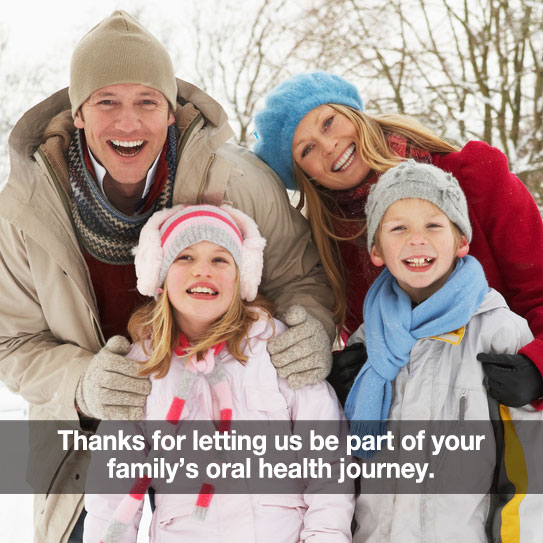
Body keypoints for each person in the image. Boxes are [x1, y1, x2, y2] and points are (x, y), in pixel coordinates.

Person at [0, 13, 335, 543]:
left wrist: (311, 326)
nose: (128, 123)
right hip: (96, 435)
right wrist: (82, 384)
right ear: (79, 113)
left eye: (147, 102)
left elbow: (304, 277)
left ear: (172, 113)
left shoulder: (240, 181)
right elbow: (10, 342)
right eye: (107, 101)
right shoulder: (25, 214)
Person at [253, 71, 543, 408]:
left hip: (505, 416)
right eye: (307, 149)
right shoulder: (332, 246)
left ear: (353, 112)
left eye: (328, 122)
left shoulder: (474, 177)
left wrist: (537, 369)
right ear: (305, 176)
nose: (328, 145)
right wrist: (347, 380)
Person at [83, 204, 354, 543]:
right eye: (185, 258)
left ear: (242, 278)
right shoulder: (141, 370)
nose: (203, 271)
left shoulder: (277, 349)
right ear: (161, 277)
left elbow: (327, 465)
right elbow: (112, 490)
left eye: (220, 259)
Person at [344, 160, 541, 542]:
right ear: (377, 250)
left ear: (461, 242)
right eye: (398, 228)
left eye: (433, 225)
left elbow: (530, 472)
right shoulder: (366, 343)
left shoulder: (498, 331)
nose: (417, 239)